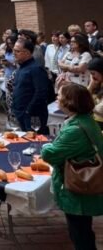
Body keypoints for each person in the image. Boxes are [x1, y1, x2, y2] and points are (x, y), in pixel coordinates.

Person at [42, 83, 103, 250]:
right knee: (83, 229)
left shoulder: (75, 129)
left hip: (80, 187)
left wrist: (46, 146)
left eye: (60, 95)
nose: (57, 98)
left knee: (79, 232)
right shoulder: (84, 120)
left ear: (70, 101)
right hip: (84, 186)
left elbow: (50, 154)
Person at [11, 39, 50, 134]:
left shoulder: (36, 68)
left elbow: (41, 92)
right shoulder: (21, 67)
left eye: (17, 51)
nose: (14, 53)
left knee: (35, 140)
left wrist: (28, 111)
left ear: (27, 53)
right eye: (13, 50)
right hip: (21, 113)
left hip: (32, 116)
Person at [87, 57, 103, 130]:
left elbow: (100, 109)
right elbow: (83, 97)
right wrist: (91, 85)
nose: (92, 77)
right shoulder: (96, 83)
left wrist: (87, 106)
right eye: (90, 74)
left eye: (93, 73)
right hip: (94, 119)